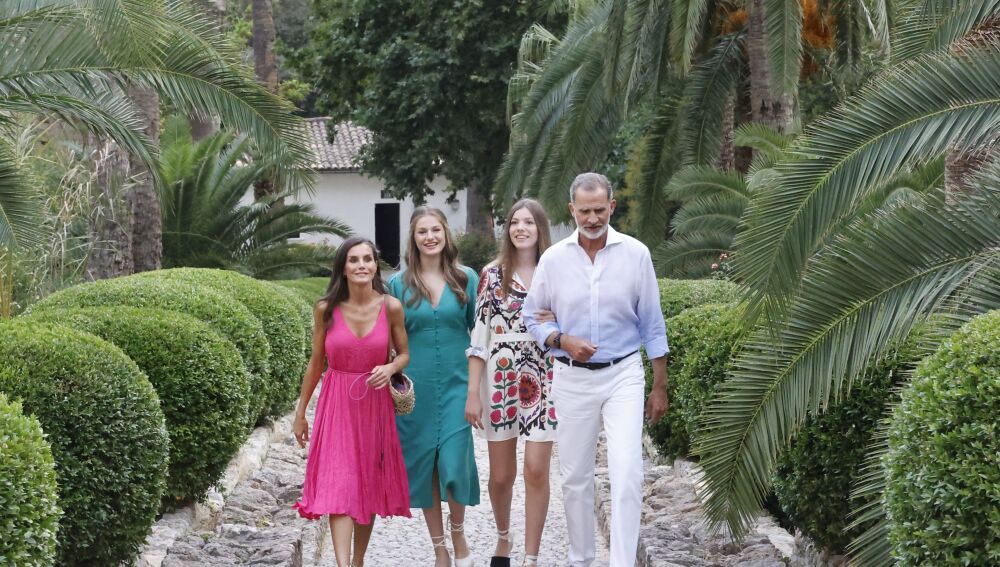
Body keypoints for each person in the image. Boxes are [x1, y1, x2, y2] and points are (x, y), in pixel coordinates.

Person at [524, 173, 669, 567]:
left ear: (612, 207)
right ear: (572, 210)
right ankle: (581, 560)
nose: (592, 219)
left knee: (627, 472)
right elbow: (532, 317)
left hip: (623, 373)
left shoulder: (636, 254)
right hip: (571, 376)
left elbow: (653, 324)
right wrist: (562, 339)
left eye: (599, 210)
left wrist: (659, 386)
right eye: (584, 211)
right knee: (575, 478)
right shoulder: (554, 260)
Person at [292, 237, 412, 567]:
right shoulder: (325, 309)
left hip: (374, 405)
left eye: (367, 259)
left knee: (367, 484)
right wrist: (301, 413)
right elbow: (316, 362)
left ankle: (357, 561)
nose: (362, 265)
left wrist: (390, 368)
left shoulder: (391, 307)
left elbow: (404, 354)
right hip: (337, 405)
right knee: (340, 483)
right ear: (343, 268)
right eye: (354, 260)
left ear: (375, 266)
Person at [464, 199, 557, 567]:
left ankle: (530, 556)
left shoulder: (557, 271)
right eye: (515, 222)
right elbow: (479, 337)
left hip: (544, 376)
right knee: (501, 476)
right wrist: (473, 393)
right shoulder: (491, 274)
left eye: (529, 222)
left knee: (536, 468)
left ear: (540, 228)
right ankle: (504, 535)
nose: (521, 228)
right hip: (499, 377)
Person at [388, 207, 480, 567]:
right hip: (417, 389)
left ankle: (458, 532)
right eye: (422, 231)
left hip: (458, 383)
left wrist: (477, 390)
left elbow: (480, 335)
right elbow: (390, 341)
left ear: (446, 233)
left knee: (455, 464)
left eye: (435, 230)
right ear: (413, 238)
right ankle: (439, 548)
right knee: (426, 464)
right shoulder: (398, 285)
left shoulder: (466, 278)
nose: (430, 237)